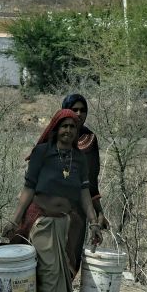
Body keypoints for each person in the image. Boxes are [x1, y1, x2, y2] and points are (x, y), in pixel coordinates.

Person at [4, 109, 102, 292]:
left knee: (61, 272)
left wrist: (94, 222)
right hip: (41, 220)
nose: (68, 130)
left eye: (73, 127)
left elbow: (84, 193)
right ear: (56, 128)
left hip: (67, 224)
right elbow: (28, 189)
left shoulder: (79, 158)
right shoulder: (42, 153)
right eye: (64, 126)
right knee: (51, 271)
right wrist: (14, 219)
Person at [61, 93, 109, 277]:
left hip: (79, 206)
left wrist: (99, 212)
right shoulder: (53, 136)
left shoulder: (89, 140)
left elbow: (91, 178)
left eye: (83, 110)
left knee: (72, 252)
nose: (79, 114)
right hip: (51, 204)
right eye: (74, 110)